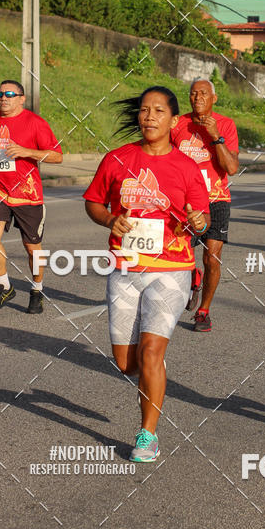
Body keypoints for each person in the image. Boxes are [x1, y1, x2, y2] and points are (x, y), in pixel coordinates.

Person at [84, 86, 210, 463]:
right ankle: (152, 367)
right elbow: (93, 202)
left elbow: (201, 219)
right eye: (144, 110)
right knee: (127, 364)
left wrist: (197, 220)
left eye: (158, 111)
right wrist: (110, 219)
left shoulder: (187, 168)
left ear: (174, 121)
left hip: (172, 267)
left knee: (152, 353)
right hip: (125, 267)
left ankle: (147, 435)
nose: (149, 116)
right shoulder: (117, 159)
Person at [0, 81, 62, 313]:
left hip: (28, 194)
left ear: (21, 98)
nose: (3, 98)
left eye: (9, 94)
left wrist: (27, 152)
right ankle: (5, 286)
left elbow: (57, 157)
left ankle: (37, 289)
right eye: (0, 94)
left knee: (32, 247)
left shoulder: (35, 123)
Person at [171, 79, 239, 333]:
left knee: (212, 257)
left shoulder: (226, 125)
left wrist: (215, 137)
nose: (197, 97)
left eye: (203, 93)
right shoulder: (178, 125)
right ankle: (192, 278)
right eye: (192, 93)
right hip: (183, 202)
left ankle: (203, 311)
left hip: (216, 199)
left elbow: (230, 168)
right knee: (178, 254)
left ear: (214, 98)